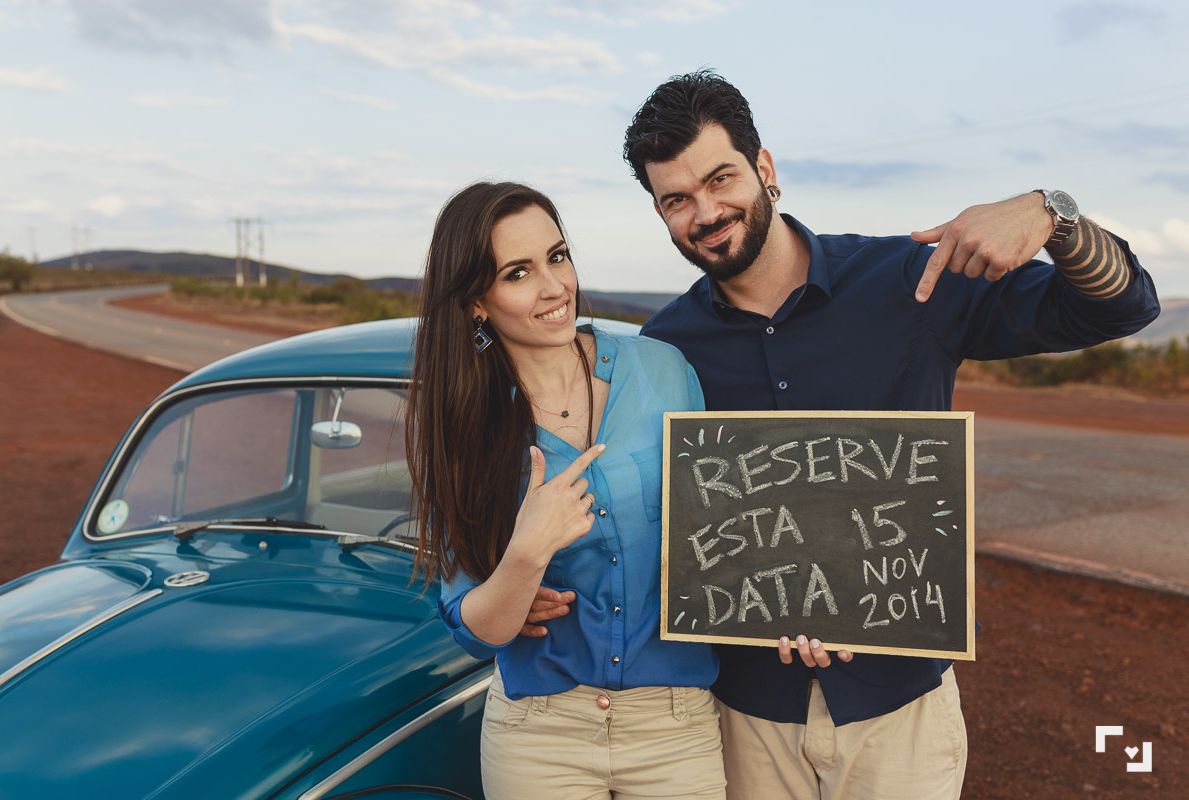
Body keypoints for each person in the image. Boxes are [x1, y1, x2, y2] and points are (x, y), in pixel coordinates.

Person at [527, 70, 1160, 799]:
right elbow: (632, 504)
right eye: (676, 199)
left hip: (901, 712)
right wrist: (525, 584)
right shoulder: (664, 349)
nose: (705, 211)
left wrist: (1054, 215)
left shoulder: (910, 283)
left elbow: (1121, 307)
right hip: (744, 718)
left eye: (721, 179)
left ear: (765, 169)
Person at [406, 180, 728, 800]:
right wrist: (524, 558)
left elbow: (728, 532)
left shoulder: (663, 370)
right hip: (539, 734)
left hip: (675, 724)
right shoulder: (466, 425)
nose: (555, 287)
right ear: (477, 301)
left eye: (557, 257)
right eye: (518, 273)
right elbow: (475, 627)